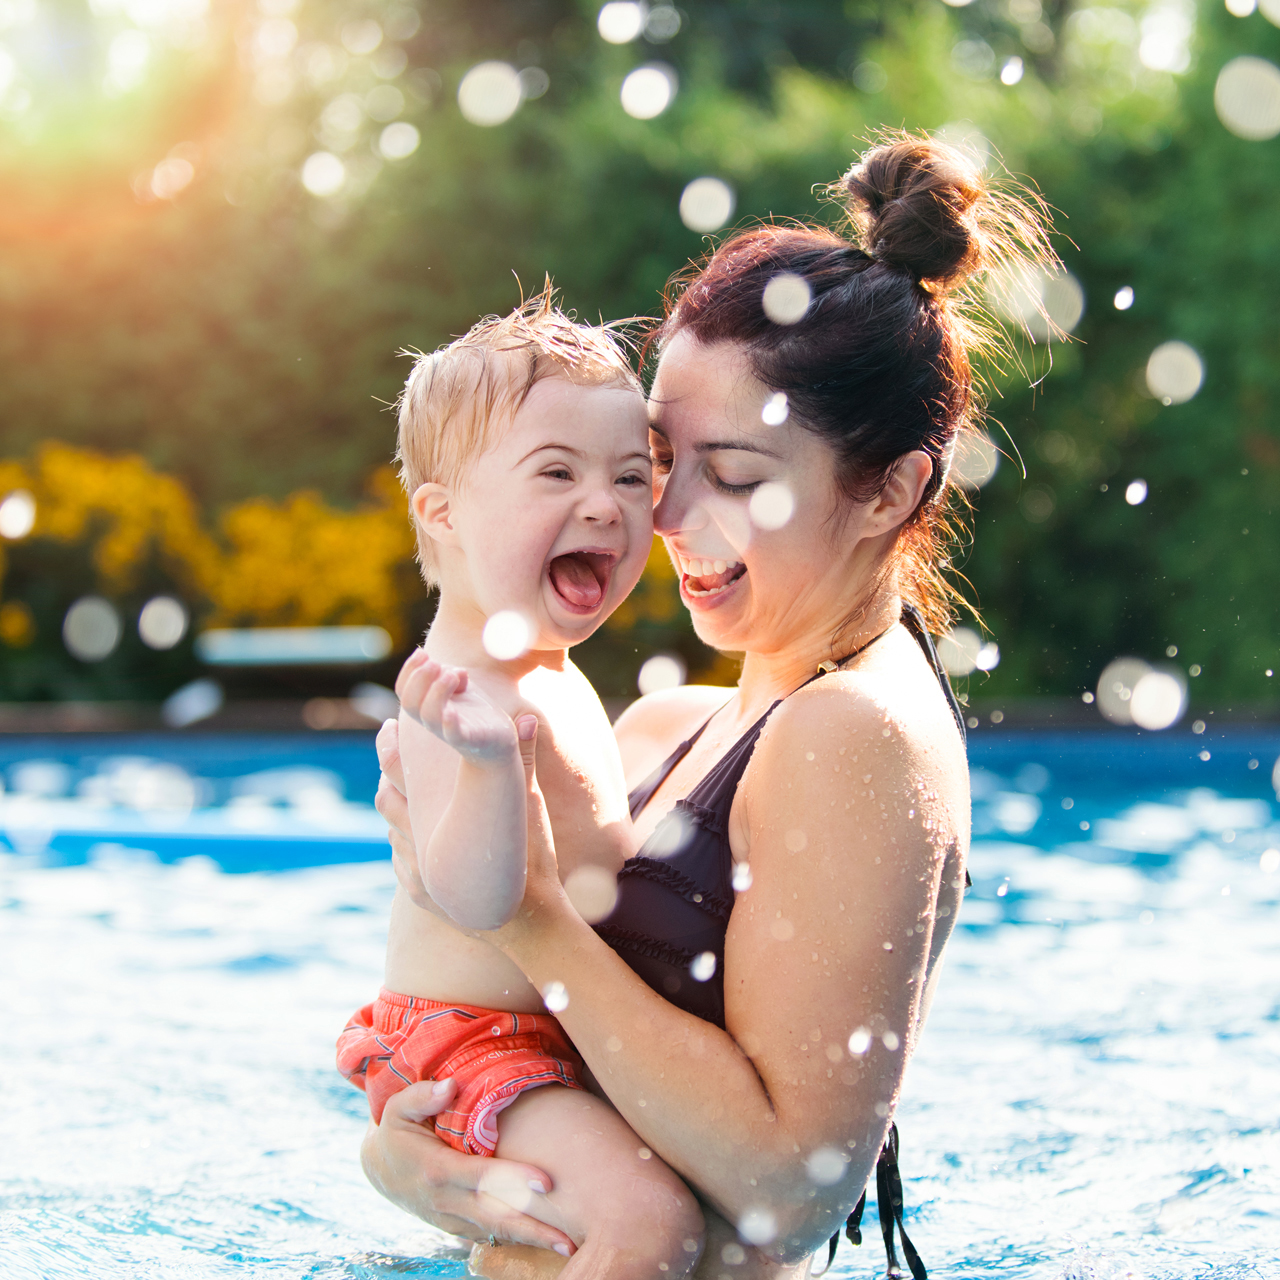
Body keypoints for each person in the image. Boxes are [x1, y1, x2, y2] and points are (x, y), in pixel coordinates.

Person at [362, 133, 1055, 1279]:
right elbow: (537, 1056)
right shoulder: (667, 726)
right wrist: (411, 1155)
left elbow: (788, 1185)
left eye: (731, 474)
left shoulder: (854, 733)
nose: (666, 514)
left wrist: (529, 915)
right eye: (655, 457)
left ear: (889, 489)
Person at [336, 293, 708, 1278]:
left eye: (633, 477)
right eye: (556, 472)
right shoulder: (453, 690)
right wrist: (493, 765)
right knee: (648, 1225)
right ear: (443, 511)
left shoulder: (545, 663)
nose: (605, 504)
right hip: (471, 1047)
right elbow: (475, 895)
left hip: (551, 1032)